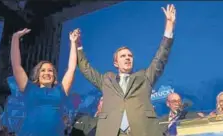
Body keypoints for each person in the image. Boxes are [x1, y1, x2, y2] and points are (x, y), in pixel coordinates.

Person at [74, 4, 176, 136]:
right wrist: (78, 46)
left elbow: (160, 58)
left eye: (130, 56)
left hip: (142, 131)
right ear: (115, 63)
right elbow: (86, 68)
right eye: (123, 56)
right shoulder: (107, 80)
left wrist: (169, 26)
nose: (127, 58)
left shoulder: (144, 77)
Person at [10, 28, 78, 136]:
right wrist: (15, 38)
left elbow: (71, 68)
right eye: (43, 70)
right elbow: (16, 65)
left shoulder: (60, 90)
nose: (47, 73)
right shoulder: (29, 88)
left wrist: (73, 43)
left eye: (50, 70)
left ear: (54, 76)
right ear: (38, 75)